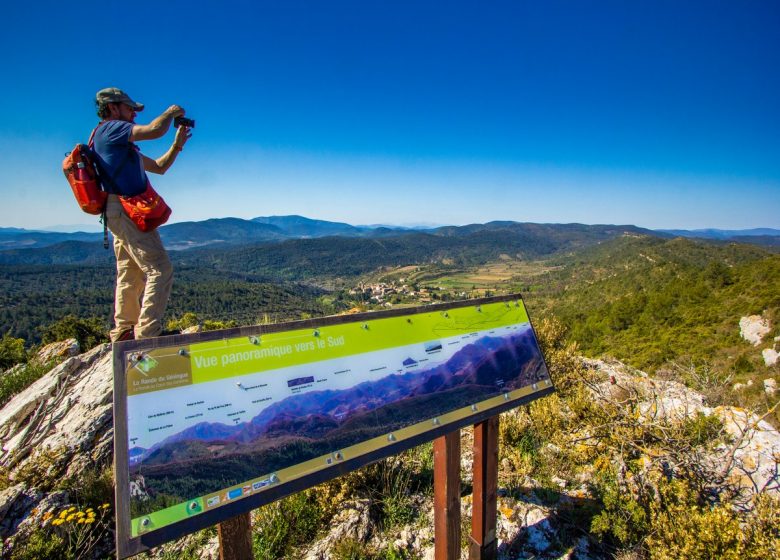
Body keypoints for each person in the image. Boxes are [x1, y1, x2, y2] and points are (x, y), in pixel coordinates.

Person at [92, 87, 192, 341]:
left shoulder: (117, 144)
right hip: (126, 209)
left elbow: (159, 167)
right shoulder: (112, 129)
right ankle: (148, 334)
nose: (134, 115)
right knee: (160, 269)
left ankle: (124, 331)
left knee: (130, 271)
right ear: (113, 108)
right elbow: (154, 130)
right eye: (129, 109)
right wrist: (170, 112)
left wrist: (177, 144)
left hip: (118, 210)